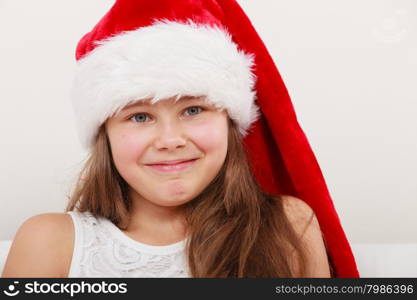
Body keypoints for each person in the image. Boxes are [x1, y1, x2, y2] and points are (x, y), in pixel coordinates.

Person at [2, 0, 359, 278]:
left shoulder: (288, 225)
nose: (170, 140)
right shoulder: (50, 241)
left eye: (193, 110)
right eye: (140, 117)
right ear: (104, 134)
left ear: (230, 122)